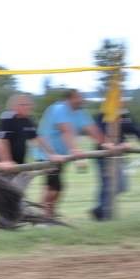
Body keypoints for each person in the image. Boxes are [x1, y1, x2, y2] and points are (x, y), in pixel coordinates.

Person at [34, 88, 108, 219]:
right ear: (69, 99)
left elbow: (93, 130)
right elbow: (65, 130)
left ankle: (48, 213)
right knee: (54, 187)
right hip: (46, 153)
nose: (81, 100)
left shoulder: (80, 112)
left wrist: (106, 143)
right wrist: (75, 150)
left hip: (61, 155)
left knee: (55, 187)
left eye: (82, 97)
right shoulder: (58, 109)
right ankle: (44, 215)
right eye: (78, 97)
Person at [90, 108, 140, 220]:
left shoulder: (125, 115)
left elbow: (136, 130)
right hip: (103, 156)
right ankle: (103, 215)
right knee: (107, 185)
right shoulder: (103, 115)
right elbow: (98, 135)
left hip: (119, 156)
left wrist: (124, 145)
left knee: (122, 186)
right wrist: (114, 145)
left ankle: (99, 209)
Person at [0, 93, 38, 166]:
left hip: (19, 163)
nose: (28, 107)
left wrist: (48, 155)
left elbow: (36, 140)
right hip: (4, 165)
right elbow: (0, 140)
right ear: (14, 106)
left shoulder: (27, 120)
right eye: (23, 105)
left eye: (29, 104)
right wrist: (6, 160)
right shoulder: (7, 117)